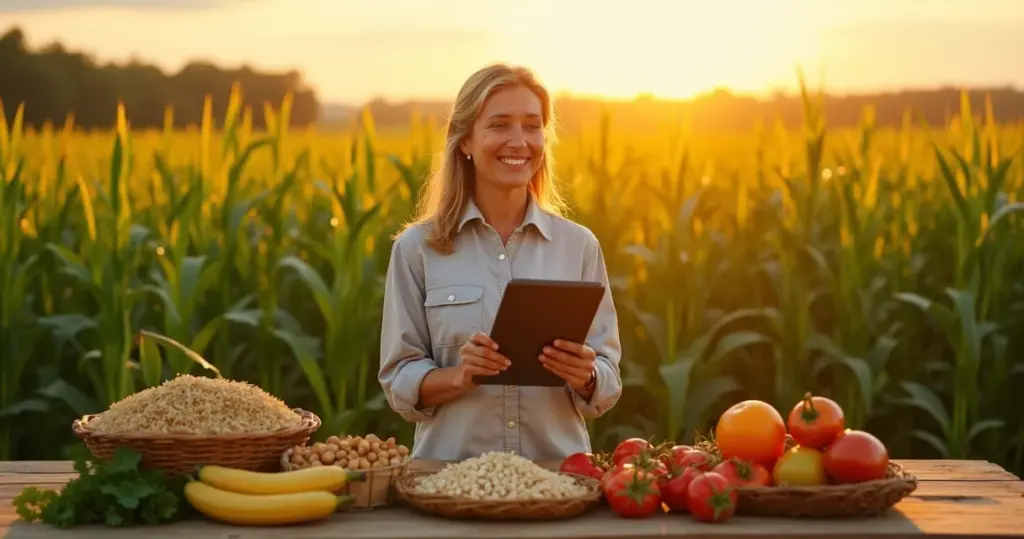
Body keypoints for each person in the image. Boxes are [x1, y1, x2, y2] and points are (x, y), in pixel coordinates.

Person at [377, 63, 622, 462]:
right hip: (450, 479)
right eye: (499, 125)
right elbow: (398, 381)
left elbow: (609, 380)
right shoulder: (416, 248)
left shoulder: (579, 246)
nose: (519, 141)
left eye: (532, 126)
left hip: (558, 479)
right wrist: (459, 376)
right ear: (465, 141)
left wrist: (588, 376)